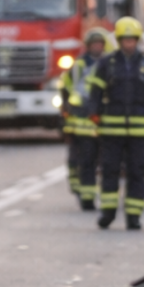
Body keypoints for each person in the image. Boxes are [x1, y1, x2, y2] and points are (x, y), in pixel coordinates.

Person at [86, 17, 144, 230]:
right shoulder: (107, 63)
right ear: (119, 40)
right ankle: (108, 212)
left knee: (138, 171)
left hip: (140, 129)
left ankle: (134, 215)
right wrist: (93, 112)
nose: (129, 44)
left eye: (132, 40)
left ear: (137, 40)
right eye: (125, 40)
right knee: (110, 170)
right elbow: (95, 91)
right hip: (112, 128)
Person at [62, 28, 110, 210]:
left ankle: (103, 195)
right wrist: (68, 110)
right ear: (88, 46)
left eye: (100, 44)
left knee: (106, 162)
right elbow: (66, 89)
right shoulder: (78, 66)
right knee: (85, 160)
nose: (97, 47)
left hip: (103, 121)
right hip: (81, 121)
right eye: (94, 44)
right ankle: (87, 197)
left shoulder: (109, 64)